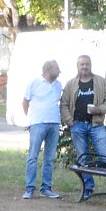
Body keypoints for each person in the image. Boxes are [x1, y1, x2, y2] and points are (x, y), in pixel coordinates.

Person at [60, 54, 106, 202]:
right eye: (82, 64)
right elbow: (64, 104)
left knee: (105, 156)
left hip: (96, 125)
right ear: (77, 66)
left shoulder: (101, 82)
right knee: (83, 158)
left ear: (91, 65)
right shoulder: (71, 84)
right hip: (78, 125)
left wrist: (100, 109)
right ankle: (88, 189)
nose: (84, 67)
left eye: (87, 64)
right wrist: (69, 121)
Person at [22, 59, 64, 200]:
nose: (58, 72)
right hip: (38, 123)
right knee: (33, 155)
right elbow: (25, 102)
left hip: (54, 123)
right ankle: (29, 188)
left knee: (49, 157)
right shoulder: (34, 83)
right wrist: (31, 118)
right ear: (48, 70)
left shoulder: (59, 85)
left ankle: (46, 188)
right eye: (56, 69)